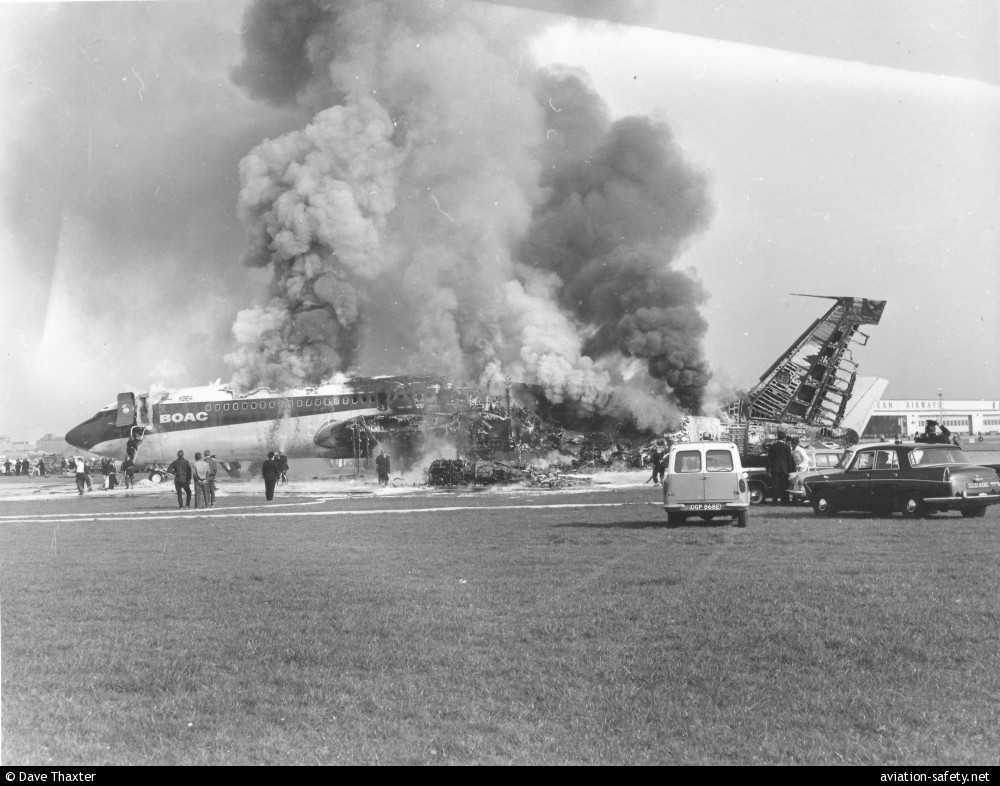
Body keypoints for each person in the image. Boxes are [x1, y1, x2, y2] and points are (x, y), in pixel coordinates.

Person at [766, 431, 795, 504]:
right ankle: (785, 501)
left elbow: (769, 458)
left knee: (775, 486)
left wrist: (767, 468)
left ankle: (774, 501)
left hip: (775, 469)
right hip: (784, 470)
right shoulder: (786, 447)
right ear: (784, 438)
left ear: (777, 437)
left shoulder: (773, 446)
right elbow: (789, 459)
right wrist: (790, 470)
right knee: (785, 486)